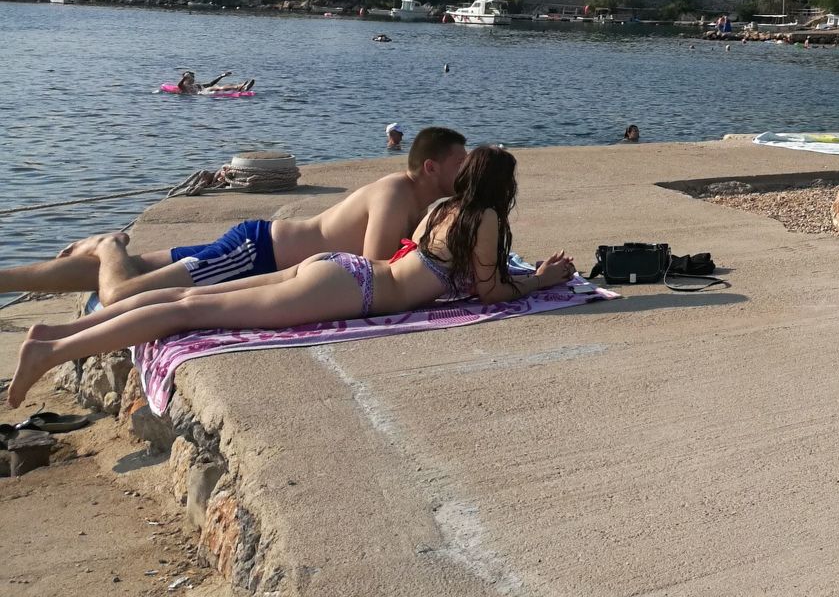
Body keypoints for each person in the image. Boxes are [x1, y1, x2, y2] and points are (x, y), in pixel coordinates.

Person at [8, 146, 573, 411]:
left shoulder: (442, 207)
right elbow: (491, 290)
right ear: (503, 184)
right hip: (356, 290)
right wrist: (542, 282)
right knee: (185, 309)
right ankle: (51, 353)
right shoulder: (487, 218)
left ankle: (53, 335)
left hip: (337, 270)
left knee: (183, 296)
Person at [0, 128, 471, 305]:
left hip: (257, 248)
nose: (467, 171)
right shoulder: (395, 192)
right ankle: (107, 245)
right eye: (460, 164)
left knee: (142, 269)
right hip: (254, 256)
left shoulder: (417, 199)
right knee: (122, 292)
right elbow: (376, 266)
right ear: (431, 167)